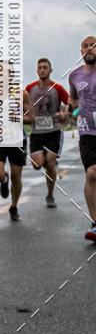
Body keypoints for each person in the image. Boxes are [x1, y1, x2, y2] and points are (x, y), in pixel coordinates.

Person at [0, 72, 33, 221]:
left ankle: (14, 206)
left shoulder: (21, 94)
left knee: (17, 175)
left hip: (17, 139)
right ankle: (4, 180)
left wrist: (17, 118)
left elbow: (30, 117)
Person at [25, 58, 69, 208]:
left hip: (53, 131)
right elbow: (22, 105)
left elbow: (70, 104)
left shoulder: (58, 88)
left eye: (45, 67)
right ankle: (47, 159)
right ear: (37, 71)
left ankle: (50, 195)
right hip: (36, 132)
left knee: (50, 163)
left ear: (51, 70)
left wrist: (64, 115)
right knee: (38, 165)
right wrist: (25, 117)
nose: (42, 70)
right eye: (40, 68)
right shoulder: (30, 88)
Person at [68, 36, 96, 242]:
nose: (89, 49)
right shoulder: (75, 76)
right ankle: (95, 224)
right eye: (85, 46)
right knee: (92, 174)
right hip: (87, 132)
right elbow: (73, 100)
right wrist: (70, 110)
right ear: (81, 52)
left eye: (93, 45)